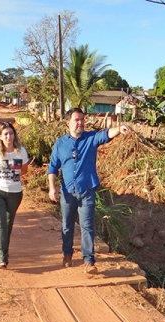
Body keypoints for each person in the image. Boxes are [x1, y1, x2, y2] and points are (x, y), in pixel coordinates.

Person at [47, 107, 133, 274]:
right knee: (67, 225)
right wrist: (52, 188)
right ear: (68, 123)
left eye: (82, 119)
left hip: (87, 190)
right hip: (67, 192)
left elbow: (106, 134)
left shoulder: (91, 138)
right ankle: (67, 254)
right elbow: (52, 168)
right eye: (76, 120)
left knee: (87, 225)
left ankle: (89, 261)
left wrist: (120, 128)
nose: (80, 123)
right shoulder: (60, 144)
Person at [0, 122, 30, 269]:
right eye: (6, 134)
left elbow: (25, 170)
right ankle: (2, 258)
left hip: (15, 193)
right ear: (0, 136)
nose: (9, 136)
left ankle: (4, 253)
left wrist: (11, 174)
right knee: (0, 223)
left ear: (14, 135)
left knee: (7, 225)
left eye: (11, 133)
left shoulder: (21, 152)